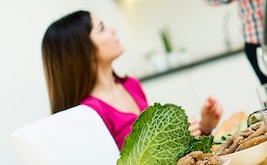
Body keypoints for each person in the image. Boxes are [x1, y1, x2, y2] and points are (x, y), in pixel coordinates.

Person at [41, 10, 223, 150]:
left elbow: (166, 159)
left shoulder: (131, 85)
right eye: (103, 29)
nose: (113, 30)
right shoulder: (89, 113)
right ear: (84, 52)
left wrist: (204, 127)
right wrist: (171, 142)